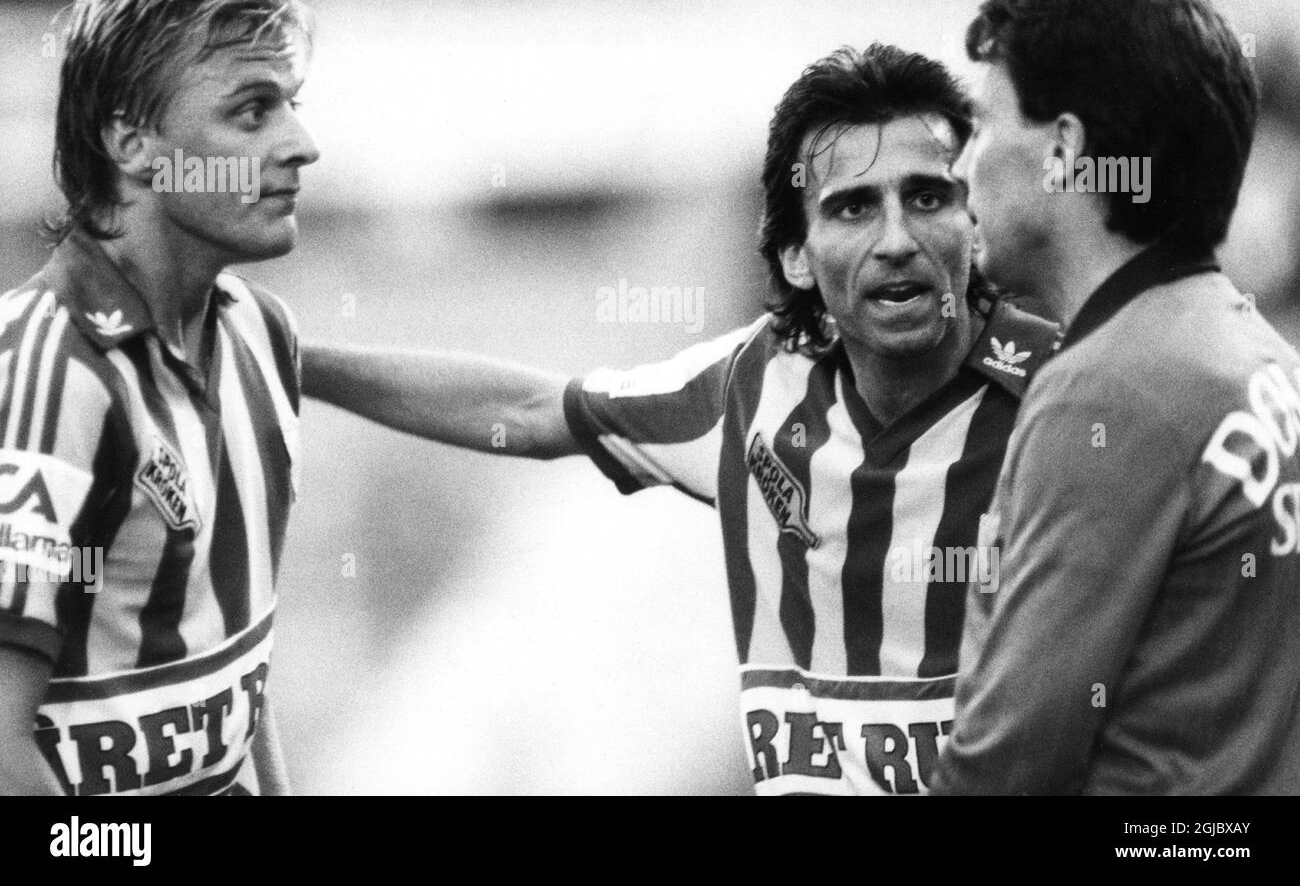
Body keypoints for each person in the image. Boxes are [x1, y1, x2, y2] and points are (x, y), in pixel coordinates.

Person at [303, 43, 1060, 795]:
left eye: (928, 197)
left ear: (975, 219)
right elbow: (529, 411)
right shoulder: (751, 388)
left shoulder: (1065, 394)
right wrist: (290, 358)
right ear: (796, 256)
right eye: (854, 208)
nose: (897, 241)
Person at [930, 0, 1300, 795]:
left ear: (1064, 151)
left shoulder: (1112, 390)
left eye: (982, 128)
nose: (960, 170)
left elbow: (1004, 769)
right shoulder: (1263, 359)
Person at [0, 0, 319, 795]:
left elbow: (238, 680)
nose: (301, 144)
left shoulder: (261, 335)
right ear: (133, 143)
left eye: (291, 104)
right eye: (252, 113)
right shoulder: (53, 372)